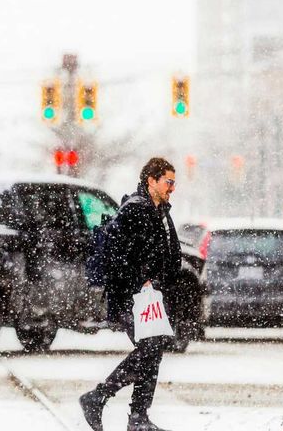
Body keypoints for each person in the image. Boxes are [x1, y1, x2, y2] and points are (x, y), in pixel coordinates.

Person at [80, 157, 180, 431]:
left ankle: (138, 417)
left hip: (148, 297)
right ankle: (99, 398)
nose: (172, 188)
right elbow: (118, 256)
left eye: (174, 182)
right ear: (151, 180)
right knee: (150, 348)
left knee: (153, 349)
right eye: (168, 182)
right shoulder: (135, 210)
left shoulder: (157, 210)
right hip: (130, 297)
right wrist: (141, 281)